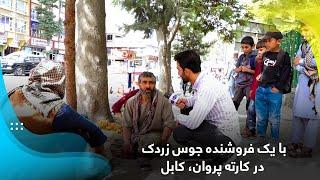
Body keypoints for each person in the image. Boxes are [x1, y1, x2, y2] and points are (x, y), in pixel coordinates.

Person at [8, 60, 108, 157]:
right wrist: (101, 154)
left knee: (78, 119)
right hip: (35, 153)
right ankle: (70, 167)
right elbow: (94, 131)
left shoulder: (16, 92)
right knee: (80, 132)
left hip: (12, 146)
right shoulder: (58, 109)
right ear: (59, 81)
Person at [172, 50, 241, 164]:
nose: (178, 74)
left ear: (187, 71)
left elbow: (193, 123)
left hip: (226, 137)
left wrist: (178, 119)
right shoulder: (204, 81)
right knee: (186, 110)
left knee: (180, 132)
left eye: (179, 70)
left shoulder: (207, 86)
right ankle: (206, 151)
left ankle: (226, 152)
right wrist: (187, 101)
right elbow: (197, 99)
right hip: (218, 130)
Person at [122, 72, 176, 171]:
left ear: (155, 84)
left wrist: (163, 143)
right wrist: (126, 142)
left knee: (147, 141)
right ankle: (141, 150)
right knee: (124, 145)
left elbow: (169, 124)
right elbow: (127, 125)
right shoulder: (131, 102)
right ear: (139, 84)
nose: (148, 86)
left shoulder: (163, 101)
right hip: (137, 134)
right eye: (144, 82)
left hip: (155, 134)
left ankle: (144, 157)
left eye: (151, 83)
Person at [255, 31, 292, 145]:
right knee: (261, 117)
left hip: (274, 91)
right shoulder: (266, 54)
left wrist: (277, 87)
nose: (267, 43)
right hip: (261, 89)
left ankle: (274, 141)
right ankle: (261, 137)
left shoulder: (284, 55)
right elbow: (264, 69)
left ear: (278, 41)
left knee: (274, 118)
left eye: (269, 40)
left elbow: (286, 73)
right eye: (265, 41)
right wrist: (260, 75)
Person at [288, 37, 320, 158]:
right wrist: (306, 69)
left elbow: (317, 62)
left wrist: (302, 62)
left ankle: (307, 147)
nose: (303, 33)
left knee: (312, 117)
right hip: (303, 83)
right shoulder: (303, 45)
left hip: (316, 85)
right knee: (298, 114)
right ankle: (296, 142)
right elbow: (295, 62)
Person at [242, 40, 267, 138]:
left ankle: (262, 133)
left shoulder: (268, 62)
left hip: (264, 91)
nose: (259, 52)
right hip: (255, 89)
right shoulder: (258, 61)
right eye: (258, 50)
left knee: (261, 114)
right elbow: (256, 75)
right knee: (251, 110)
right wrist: (252, 88)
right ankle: (251, 129)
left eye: (261, 50)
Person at [233, 36, 257, 111]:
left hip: (250, 85)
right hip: (240, 84)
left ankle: (249, 122)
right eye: (242, 47)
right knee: (234, 104)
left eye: (246, 47)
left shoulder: (255, 57)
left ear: (253, 46)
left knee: (249, 106)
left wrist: (247, 70)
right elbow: (236, 69)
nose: (244, 49)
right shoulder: (241, 57)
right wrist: (239, 69)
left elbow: (258, 73)